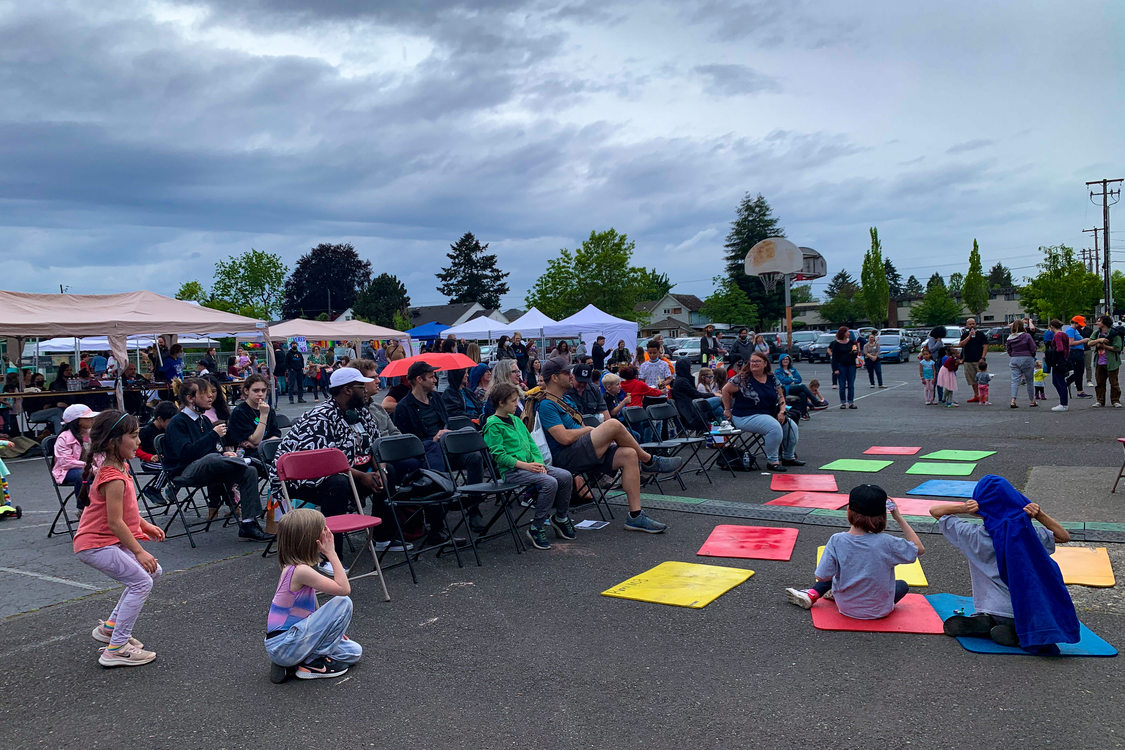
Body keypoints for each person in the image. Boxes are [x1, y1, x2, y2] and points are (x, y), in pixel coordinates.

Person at [930, 475, 1078, 652]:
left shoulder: (971, 534)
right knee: (1022, 624)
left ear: (980, 508)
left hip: (991, 608)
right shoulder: (1029, 536)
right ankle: (1015, 632)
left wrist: (963, 508)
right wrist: (1039, 514)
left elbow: (935, 512)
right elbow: (1063, 536)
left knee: (989, 616)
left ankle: (986, 622)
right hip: (1025, 612)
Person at [271, 368, 410, 553]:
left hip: (348, 474)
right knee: (337, 483)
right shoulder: (320, 417)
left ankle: (382, 538)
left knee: (388, 473)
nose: (366, 390)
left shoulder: (360, 412)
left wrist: (380, 471)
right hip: (302, 478)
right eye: (361, 386)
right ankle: (331, 554)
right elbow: (325, 463)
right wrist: (361, 477)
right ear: (347, 390)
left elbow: (376, 446)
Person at [533, 357, 677, 533]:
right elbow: (563, 437)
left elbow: (580, 428)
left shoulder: (565, 401)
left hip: (581, 449)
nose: (571, 376)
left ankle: (635, 516)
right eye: (566, 372)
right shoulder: (546, 404)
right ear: (554, 378)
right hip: (566, 456)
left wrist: (589, 432)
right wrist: (588, 431)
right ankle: (649, 461)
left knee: (628, 454)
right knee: (613, 424)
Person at [72, 410, 166, 667]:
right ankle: (116, 649)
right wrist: (139, 551)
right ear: (114, 441)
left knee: (153, 572)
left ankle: (110, 629)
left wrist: (145, 526)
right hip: (95, 545)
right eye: (133, 436)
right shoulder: (112, 476)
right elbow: (115, 522)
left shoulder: (119, 466)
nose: (139, 442)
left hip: (105, 542)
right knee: (141, 582)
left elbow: (125, 511)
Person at [785, 484, 924, 618]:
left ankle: (815, 593)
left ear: (848, 511)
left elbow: (822, 576)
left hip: (846, 607)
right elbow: (919, 549)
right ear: (883, 516)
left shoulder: (836, 540)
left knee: (838, 573)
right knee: (902, 585)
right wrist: (898, 517)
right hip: (881, 610)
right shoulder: (888, 542)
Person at [162, 378, 273, 542]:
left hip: (210, 468)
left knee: (249, 471)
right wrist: (213, 435)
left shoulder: (204, 420)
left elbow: (212, 449)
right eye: (205, 394)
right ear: (190, 398)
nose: (210, 397)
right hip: (185, 471)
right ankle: (248, 460)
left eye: (211, 393)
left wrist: (225, 455)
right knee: (211, 458)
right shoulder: (178, 422)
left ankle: (249, 524)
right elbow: (186, 454)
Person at [264, 508, 361, 683]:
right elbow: (343, 589)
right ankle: (312, 663)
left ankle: (293, 663)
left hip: (289, 643)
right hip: (283, 644)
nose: (327, 534)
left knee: (353, 651)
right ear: (310, 540)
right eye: (323, 531)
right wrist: (331, 553)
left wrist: (331, 630)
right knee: (343, 602)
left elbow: (307, 610)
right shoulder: (299, 571)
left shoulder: (295, 568)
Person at [392, 361, 486, 535]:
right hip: (425, 454)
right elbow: (405, 443)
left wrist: (446, 434)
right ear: (419, 379)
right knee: (434, 454)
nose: (435, 380)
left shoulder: (437, 399)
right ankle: (439, 518)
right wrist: (433, 439)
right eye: (431, 377)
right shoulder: (404, 407)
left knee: (475, 456)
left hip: (446, 449)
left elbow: (446, 422)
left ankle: (474, 507)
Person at [482, 383, 575, 551]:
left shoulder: (516, 421)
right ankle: (537, 527)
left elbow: (532, 445)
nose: (515, 404)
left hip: (529, 466)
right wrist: (527, 466)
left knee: (565, 476)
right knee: (550, 483)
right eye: (512, 401)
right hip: (512, 471)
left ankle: (560, 518)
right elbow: (499, 456)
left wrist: (539, 464)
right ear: (501, 403)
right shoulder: (493, 425)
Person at [721, 352, 802, 472]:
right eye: (752, 361)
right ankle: (773, 461)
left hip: (768, 413)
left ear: (765, 363)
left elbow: (781, 396)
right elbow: (725, 390)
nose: (754, 363)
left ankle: (788, 457)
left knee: (791, 426)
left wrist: (782, 411)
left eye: (757, 361)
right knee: (774, 427)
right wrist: (727, 409)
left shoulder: (771, 377)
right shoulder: (742, 378)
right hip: (745, 415)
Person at [225, 375, 281, 459]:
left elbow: (276, 435)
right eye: (256, 391)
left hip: (266, 452)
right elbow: (255, 439)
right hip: (247, 456)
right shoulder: (240, 412)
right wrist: (263, 415)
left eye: (263, 390)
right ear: (246, 391)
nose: (260, 394)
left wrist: (261, 444)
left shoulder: (269, 410)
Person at [53, 404, 99, 503]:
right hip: (68, 470)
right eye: (87, 418)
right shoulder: (64, 437)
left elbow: (100, 454)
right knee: (82, 474)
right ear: (77, 421)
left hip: (93, 468)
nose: (92, 419)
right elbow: (65, 462)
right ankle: (83, 507)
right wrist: (90, 467)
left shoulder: (93, 435)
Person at [671, 357, 721, 430]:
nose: (691, 368)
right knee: (720, 399)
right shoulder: (682, 382)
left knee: (718, 409)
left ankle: (723, 428)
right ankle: (726, 428)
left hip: (692, 407)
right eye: (689, 367)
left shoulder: (682, 379)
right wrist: (713, 394)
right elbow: (696, 395)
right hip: (691, 410)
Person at [1089, 314, 1122, 408]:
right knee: (1100, 383)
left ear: (1104, 323)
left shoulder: (1114, 333)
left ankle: (1115, 400)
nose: (1097, 323)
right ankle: (1100, 401)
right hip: (1099, 362)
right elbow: (1089, 342)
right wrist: (1099, 340)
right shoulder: (1096, 333)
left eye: (1099, 321)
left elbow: (1117, 347)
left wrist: (1104, 346)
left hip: (1112, 362)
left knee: (1114, 383)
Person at [1005, 320, 1038, 408]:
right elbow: (1033, 347)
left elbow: (1008, 349)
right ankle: (1032, 400)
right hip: (1027, 357)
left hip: (1015, 358)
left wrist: (1012, 355)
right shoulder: (1026, 336)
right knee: (1029, 381)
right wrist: (1032, 354)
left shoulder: (1010, 337)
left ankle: (1013, 400)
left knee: (1015, 381)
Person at [958, 319, 988, 402]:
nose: (972, 325)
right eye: (970, 324)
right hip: (968, 360)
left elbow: (985, 346)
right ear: (967, 325)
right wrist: (969, 337)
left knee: (982, 379)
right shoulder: (965, 335)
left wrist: (983, 357)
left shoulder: (981, 334)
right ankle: (976, 395)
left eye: (973, 324)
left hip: (979, 360)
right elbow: (961, 345)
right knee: (972, 379)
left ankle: (984, 396)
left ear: (976, 324)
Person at [829, 326, 858, 409]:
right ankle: (843, 402)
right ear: (843, 333)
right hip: (841, 366)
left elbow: (855, 353)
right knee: (842, 385)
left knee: (851, 385)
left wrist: (854, 352)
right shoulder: (836, 344)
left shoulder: (852, 342)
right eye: (847, 332)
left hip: (851, 365)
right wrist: (835, 369)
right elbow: (834, 357)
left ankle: (851, 402)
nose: (849, 333)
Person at [1045, 319, 1071, 412]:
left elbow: (1060, 348)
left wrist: (1051, 353)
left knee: (1059, 382)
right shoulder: (1064, 334)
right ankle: (1063, 402)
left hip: (1058, 361)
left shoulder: (1058, 335)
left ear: (1052, 326)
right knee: (1057, 381)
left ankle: (1063, 403)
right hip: (1064, 360)